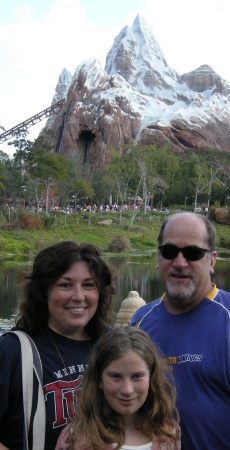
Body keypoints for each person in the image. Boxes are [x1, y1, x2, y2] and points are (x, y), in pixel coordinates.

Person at [0, 240, 115, 450]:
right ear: (43, 292)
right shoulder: (12, 352)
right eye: (65, 285)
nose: (79, 296)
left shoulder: (114, 345)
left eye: (89, 285)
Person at [130, 212, 230, 449]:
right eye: (169, 251)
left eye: (193, 253)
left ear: (212, 260)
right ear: (158, 256)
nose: (180, 263)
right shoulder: (139, 324)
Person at [55, 326, 181, 450]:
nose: (127, 390)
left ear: (151, 377)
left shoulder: (168, 433)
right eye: (115, 376)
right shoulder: (75, 438)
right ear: (99, 379)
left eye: (137, 376)